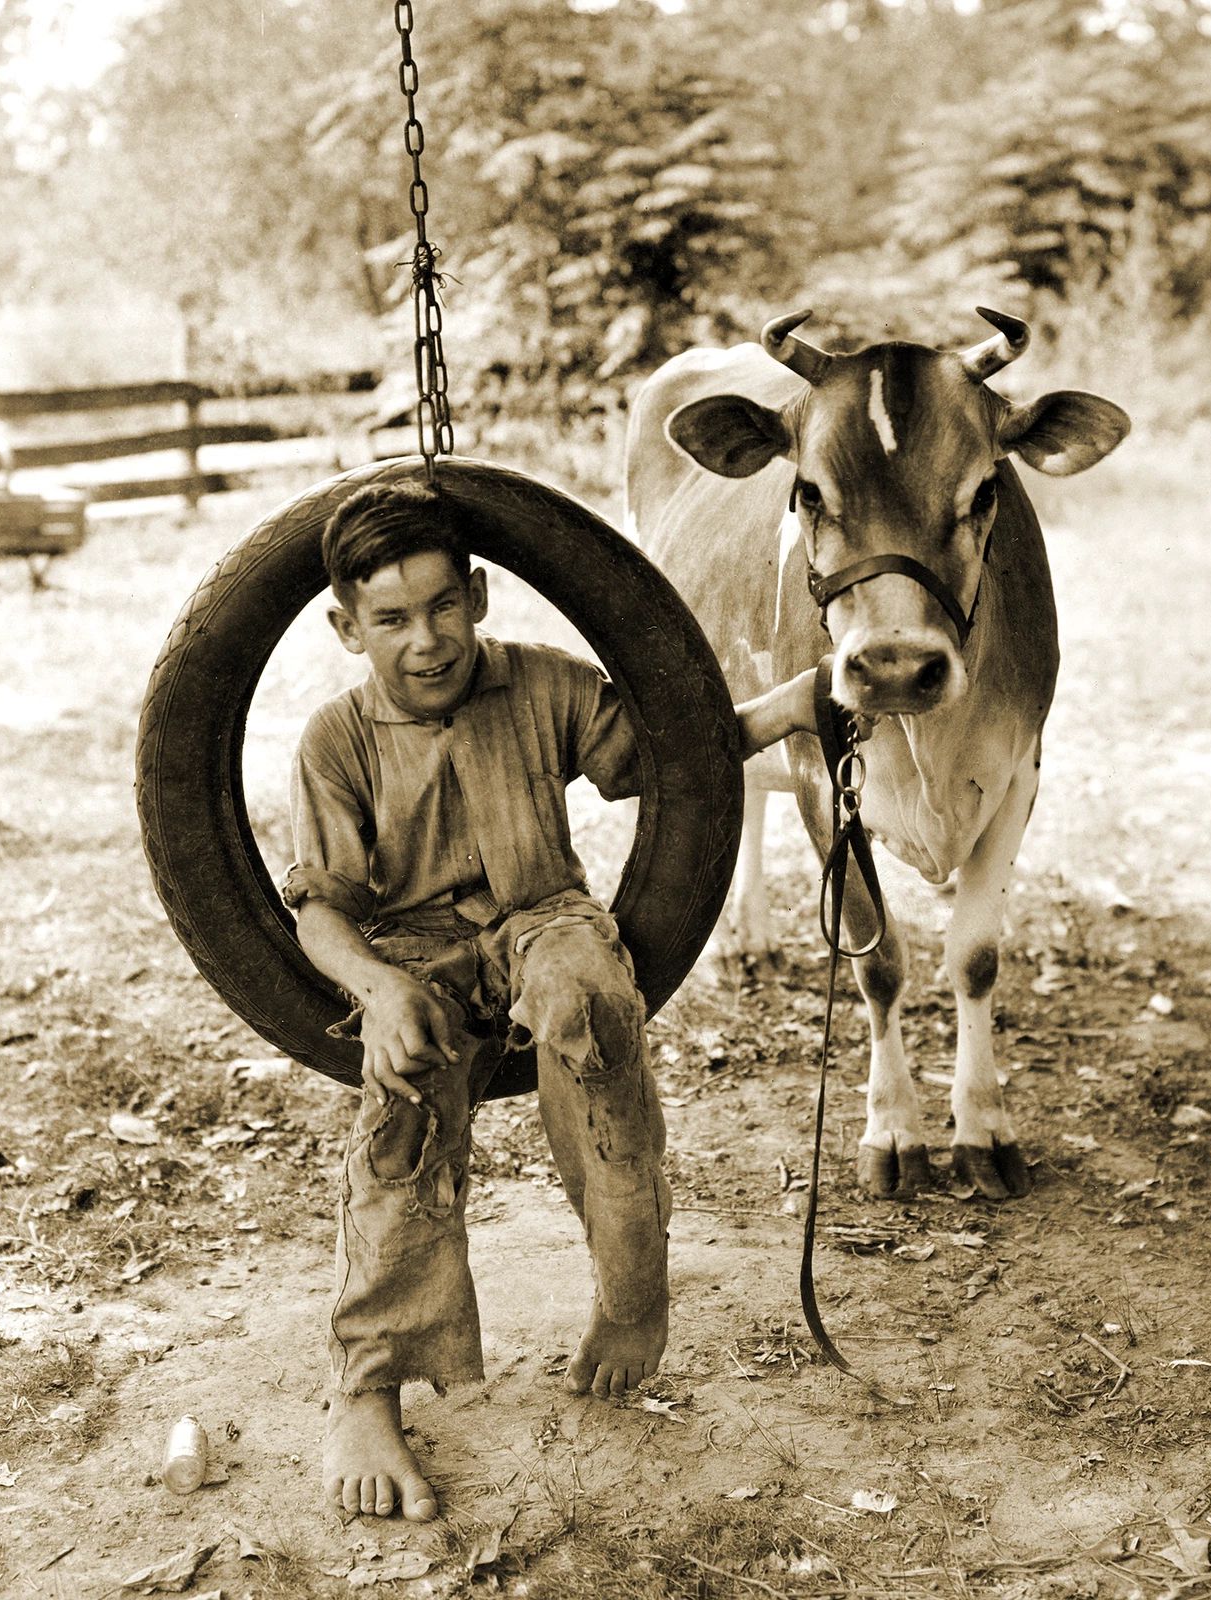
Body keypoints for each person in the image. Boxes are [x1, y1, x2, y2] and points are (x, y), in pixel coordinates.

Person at [282, 482, 820, 1522]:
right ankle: (367, 1389)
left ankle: (632, 1292)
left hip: (543, 919)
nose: (427, 640)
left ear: (479, 595)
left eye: (444, 605)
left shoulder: (543, 684)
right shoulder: (336, 741)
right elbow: (319, 909)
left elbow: (671, 757)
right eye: (391, 619)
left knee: (591, 1006)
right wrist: (381, 989)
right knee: (404, 1099)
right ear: (349, 629)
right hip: (416, 952)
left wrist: (793, 705)